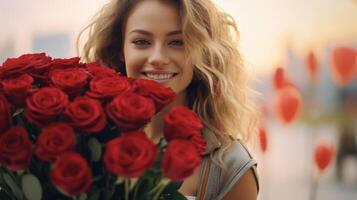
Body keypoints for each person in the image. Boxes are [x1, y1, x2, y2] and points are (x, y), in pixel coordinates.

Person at [78, 0, 259, 199]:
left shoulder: (231, 166)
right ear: (121, 50)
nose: (157, 58)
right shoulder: (87, 142)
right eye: (141, 41)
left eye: (177, 42)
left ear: (203, 52)